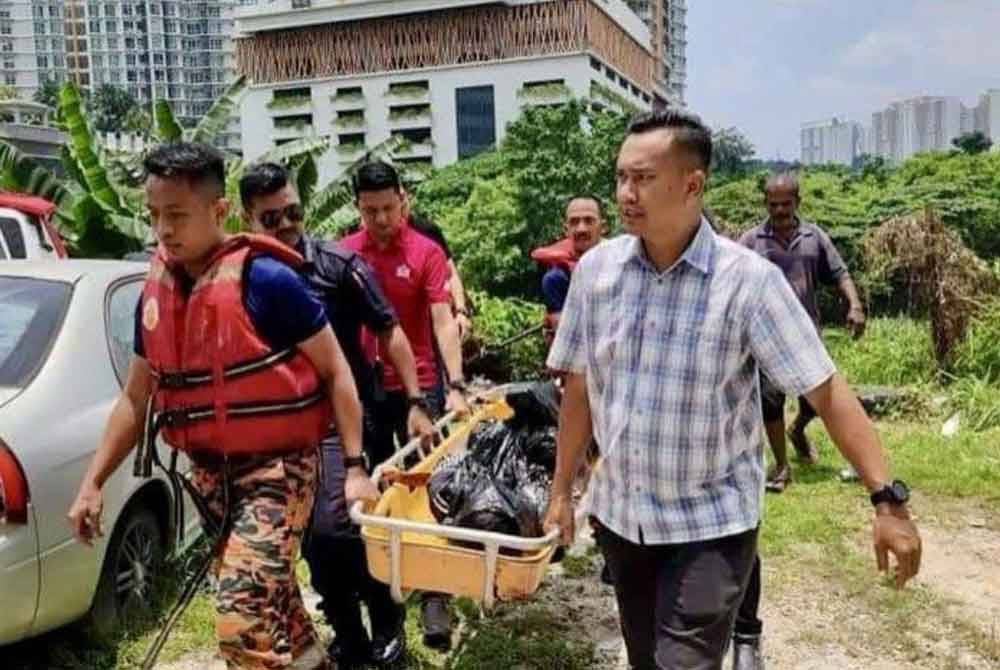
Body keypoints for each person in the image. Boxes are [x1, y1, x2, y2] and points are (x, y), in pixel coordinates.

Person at [542, 111, 922, 670]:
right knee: (646, 660)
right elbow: (579, 387)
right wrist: (559, 493)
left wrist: (887, 500)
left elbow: (825, 389)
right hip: (623, 517)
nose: (626, 193)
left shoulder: (747, 282)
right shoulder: (596, 274)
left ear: (692, 184)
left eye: (643, 178)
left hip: (711, 524)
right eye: (621, 177)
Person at [67, 142, 378, 670]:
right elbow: (135, 397)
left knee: (242, 620)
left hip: (280, 471)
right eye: (155, 215)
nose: (163, 230)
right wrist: (93, 482)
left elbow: (335, 370)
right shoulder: (155, 292)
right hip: (211, 478)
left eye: (177, 215)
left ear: (218, 211)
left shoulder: (268, 280)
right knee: (278, 610)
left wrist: (353, 468)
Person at [239, 162, 435, 669]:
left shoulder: (337, 265)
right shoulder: (241, 276)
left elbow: (389, 330)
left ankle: (386, 618)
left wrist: (415, 400)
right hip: (279, 428)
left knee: (337, 528)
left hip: (340, 420)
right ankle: (348, 632)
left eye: (293, 213)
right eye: (271, 218)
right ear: (247, 218)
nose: (286, 225)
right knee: (310, 540)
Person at [341, 160, 469, 650]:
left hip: (423, 388)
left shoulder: (426, 252)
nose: (380, 219)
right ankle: (385, 603)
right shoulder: (345, 254)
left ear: (404, 201)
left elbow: (441, 321)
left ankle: (436, 597)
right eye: (370, 210)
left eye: (388, 208)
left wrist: (455, 384)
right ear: (358, 208)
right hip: (364, 392)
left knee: (433, 490)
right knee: (373, 495)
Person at [738, 174, 867, 493]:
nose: (780, 210)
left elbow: (840, 272)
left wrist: (854, 304)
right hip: (765, 333)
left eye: (786, 203)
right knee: (771, 401)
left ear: (798, 202)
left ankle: (798, 429)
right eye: (773, 204)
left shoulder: (814, 237)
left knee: (816, 399)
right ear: (765, 203)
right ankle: (781, 466)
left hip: (806, 332)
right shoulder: (752, 240)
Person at [531, 195, 607, 344]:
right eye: (574, 222)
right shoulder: (556, 279)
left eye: (589, 221)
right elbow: (566, 340)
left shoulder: (624, 264)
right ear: (566, 230)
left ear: (603, 227)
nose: (581, 228)